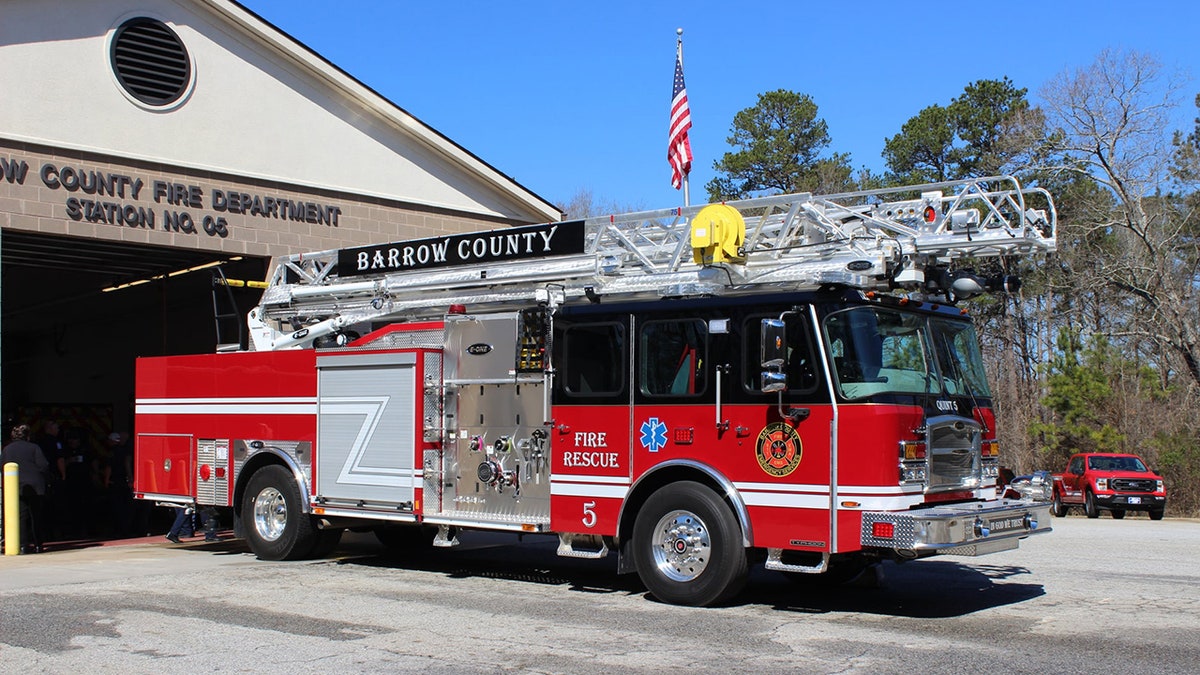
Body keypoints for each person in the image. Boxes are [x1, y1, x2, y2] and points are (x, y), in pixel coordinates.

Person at [1, 424, 51, 553]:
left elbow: (2, 466)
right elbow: (43, 465)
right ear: (28, 436)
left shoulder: (7, 449)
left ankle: (22, 545)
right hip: (35, 485)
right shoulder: (34, 447)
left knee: (21, 516)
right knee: (36, 516)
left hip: (15, 486)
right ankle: (38, 544)